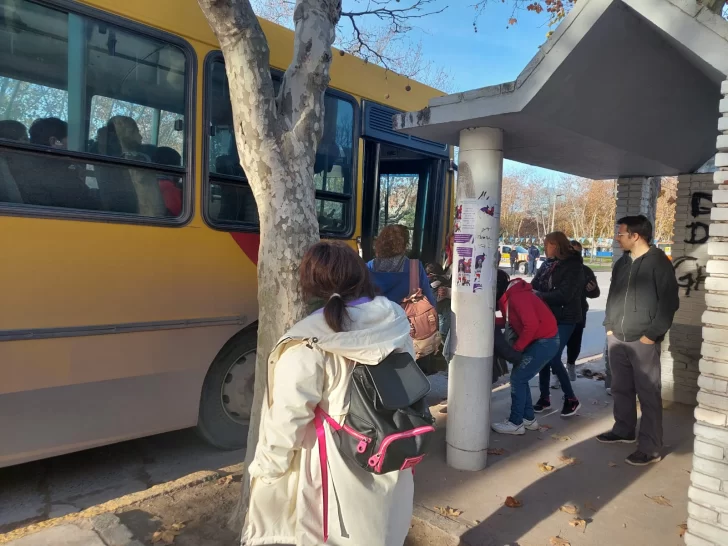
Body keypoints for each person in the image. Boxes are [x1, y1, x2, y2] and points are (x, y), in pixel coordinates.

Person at [243, 242, 414, 546]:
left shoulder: (306, 343)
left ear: (310, 285)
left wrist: (267, 472)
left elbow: (286, 421)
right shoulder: (395, 320)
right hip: (390, 459)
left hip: (332, 479)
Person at [597, 215, 679, 466]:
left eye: (621, 234)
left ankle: (651, 447)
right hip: (617, 338)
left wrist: (651, 335)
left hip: (643, 339)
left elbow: (669, 303)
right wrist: (609, 326)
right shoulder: (622, 262)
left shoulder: (659, 264)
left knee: (648, 394)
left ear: (635, 236)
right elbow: (613, 295)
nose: (617, 237)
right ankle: (623, 429)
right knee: (621, 388)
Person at [492, 269, 560, 435]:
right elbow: (511, 321)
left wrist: (517, 349)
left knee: (518, 377)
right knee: (520, 377)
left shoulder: (517, 297)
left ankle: (516, 423)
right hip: (542, 340)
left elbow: (531, 325)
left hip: (545, 341)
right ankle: (529, 420)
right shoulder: (511, 296)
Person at [368, 225, 437, 373]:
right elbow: (430, 301)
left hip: (376, 331)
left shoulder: (369, 267)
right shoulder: (414, 268)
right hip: (407, 331)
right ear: (405, 245)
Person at [531, 231, 583, 417]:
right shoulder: (546, 264)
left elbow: (565, 294)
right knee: (544, 355)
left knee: (552, 356)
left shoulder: (573, 266)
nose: (546, 247)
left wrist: (541, 296)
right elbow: (535, 283)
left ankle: (571, 398)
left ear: (558, 245)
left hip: (566, 317)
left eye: (549, 244)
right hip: (546, 315)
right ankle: (544, 397)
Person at [563, 240, 600, 381]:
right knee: (557, 344)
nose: (574, 253)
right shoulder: (559, 268)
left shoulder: (585, 270)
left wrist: (592, 289)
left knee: (575, 343)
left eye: (577, 251)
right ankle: (556, 373)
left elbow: (595, 292)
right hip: (559, 313)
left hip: (579, 312)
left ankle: (571, 365)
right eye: (571, 250)